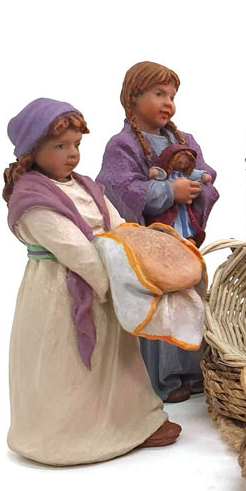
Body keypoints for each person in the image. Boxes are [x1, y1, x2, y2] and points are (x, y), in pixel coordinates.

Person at [4, 98, 180, 465]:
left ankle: (132, 421)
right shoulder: (33, 199)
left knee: (118, 360)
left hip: (108, 281)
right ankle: (69, 434)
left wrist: (140, 252)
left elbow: (117, 225)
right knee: (68, 363)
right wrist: (118, 283)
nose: (72, 154)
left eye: (76, 145)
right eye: (60, 146)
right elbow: (75, 250)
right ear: (32, 151)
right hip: (62, 294)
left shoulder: (86, 186)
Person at [97, 62, 218, 403]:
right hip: (151, 247)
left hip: (183, 239)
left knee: (192, 300)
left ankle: (194, 370)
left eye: (172, 97)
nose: (168, 103)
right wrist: (167, 192)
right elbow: (118, 187)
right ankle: (162, 377)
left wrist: (196, 188)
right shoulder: (122, 145)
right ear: (132, 98)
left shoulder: (184, 140)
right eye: (159, 94)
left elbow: (207, 175)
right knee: (159, 306)